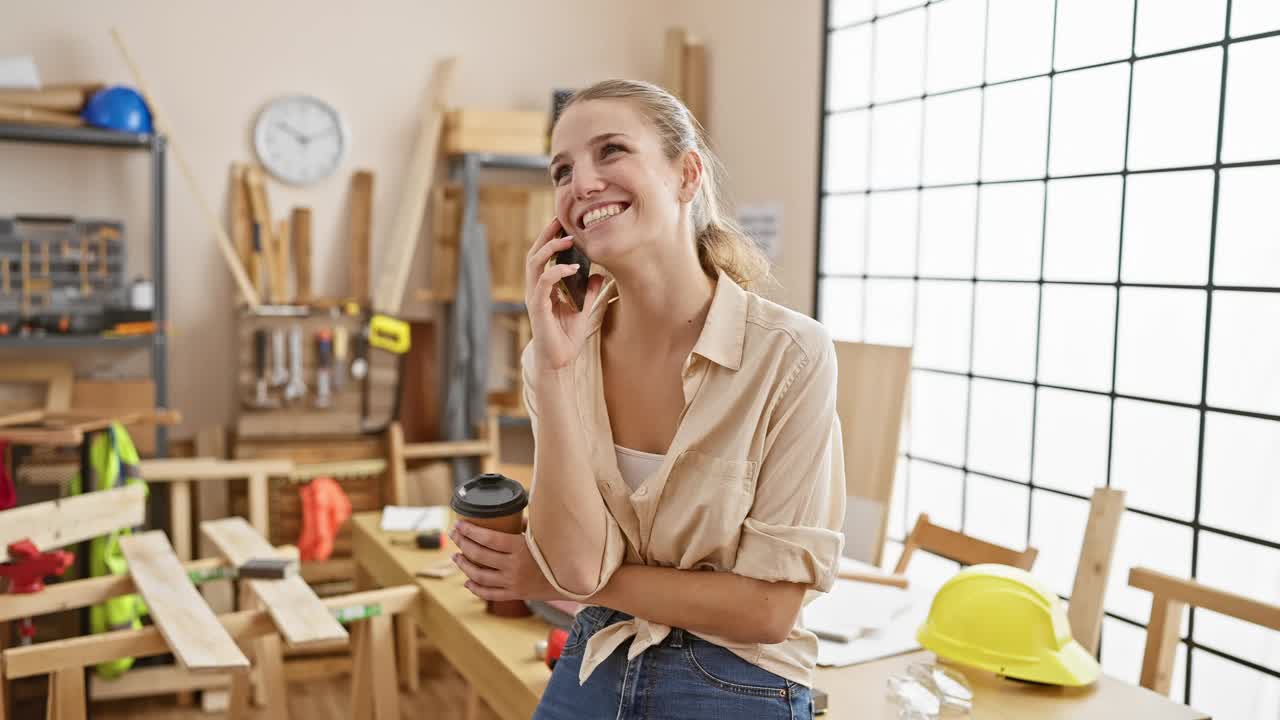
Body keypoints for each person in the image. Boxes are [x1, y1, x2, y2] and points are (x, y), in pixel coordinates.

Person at [446, 79, 846, 720]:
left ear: (687, 174)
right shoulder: (554, 358)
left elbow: (769, 611)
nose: (582, 183)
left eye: (611, 151)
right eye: (563, 170)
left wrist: (546, 577)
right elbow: (576, 566)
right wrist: (553, 371)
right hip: (597, 654)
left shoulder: (790, 355)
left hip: (738, 676)